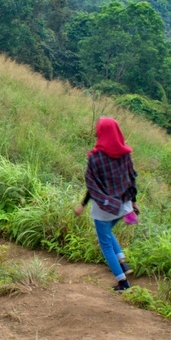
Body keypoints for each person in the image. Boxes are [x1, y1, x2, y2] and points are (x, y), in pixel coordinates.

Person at [73, 117, 138, 292]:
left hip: (105, 208)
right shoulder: (125, 154)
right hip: (123, 206)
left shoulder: (96, 158)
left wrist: (82, 205)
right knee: (108, 233)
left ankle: (123, 283)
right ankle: (123, 263)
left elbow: (91, 184)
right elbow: (131, 178)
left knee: (105, 244)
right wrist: (133, 201)